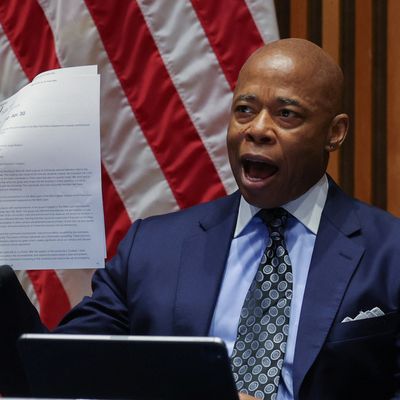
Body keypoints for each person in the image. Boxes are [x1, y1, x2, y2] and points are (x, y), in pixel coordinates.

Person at [8, 38, 400, 399]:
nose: (257, 129)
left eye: (286, 114)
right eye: (244, 110)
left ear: (335, 132)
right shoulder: (152, 249)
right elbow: (56, 375)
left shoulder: (390, 253)